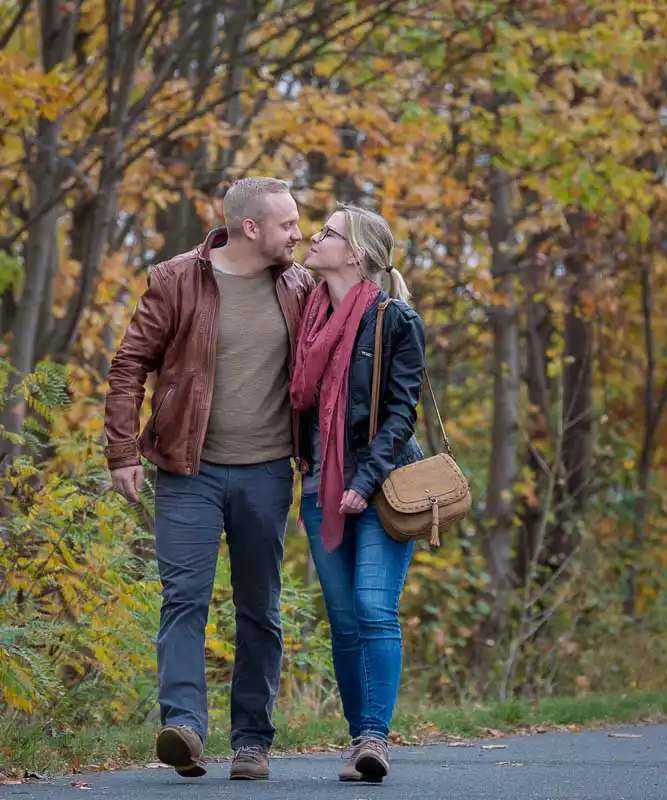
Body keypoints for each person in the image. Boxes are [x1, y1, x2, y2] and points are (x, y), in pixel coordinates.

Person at [104, 177, 314, 781]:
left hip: (268, 473)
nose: (298, 234)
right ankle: (186, 728)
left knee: (259, 609)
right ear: (252, 228)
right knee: (184, 600)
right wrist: (122, 452)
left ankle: (252, 742)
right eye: (288, 224)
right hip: (187, 472)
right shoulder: (176, 279)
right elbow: (129, 366)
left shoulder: (299, 287)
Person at [291, 203, 426, 784]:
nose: (314, 237)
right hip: (321, 483)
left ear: (357, 254)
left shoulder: (397, 320)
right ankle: (357, 741)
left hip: (383, 484)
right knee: (343, 621)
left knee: (374, 608)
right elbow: (296, 403)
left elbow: (402, 414)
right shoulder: (308, 317)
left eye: (328, 232)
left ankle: (375, 736)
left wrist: (362, 482)